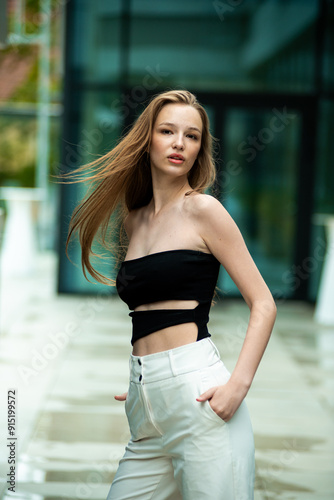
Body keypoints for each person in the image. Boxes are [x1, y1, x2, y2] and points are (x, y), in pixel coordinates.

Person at [65, 90, 277, 499]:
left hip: (198, 398)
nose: (180, 143)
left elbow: (264, 304)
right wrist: (152, 381)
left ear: (200, 149)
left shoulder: (204, 210)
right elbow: (149, 309)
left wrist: (238, 385)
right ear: (148, 139)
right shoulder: (134, 220)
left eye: (192, 136)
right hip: (145, 404)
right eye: (168, 131)